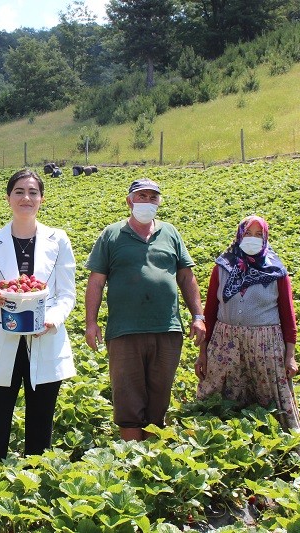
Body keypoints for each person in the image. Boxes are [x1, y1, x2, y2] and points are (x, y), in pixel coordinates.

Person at [85, 178, 205, 442]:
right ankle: (132, 455)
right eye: (141, 197)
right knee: (127, 394)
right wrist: (91, 323)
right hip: (125, 330)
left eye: (153, 197)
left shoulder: (170, 233)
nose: (147, 202)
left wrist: (198, 316)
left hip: (167, 327)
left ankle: (151, 453)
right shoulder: (112, 234)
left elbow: (186, 277)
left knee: (160, 393)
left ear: (159, 202)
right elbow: (96, 281)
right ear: (130, 201)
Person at [0, 169, 76, 461]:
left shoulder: (59, 240)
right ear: (8, 198)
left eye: (32, 192)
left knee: (41, 419)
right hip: (2, 335)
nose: (25, 197)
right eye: (19, 191)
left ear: (41, 199)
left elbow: (67, 294)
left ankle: (37, 478)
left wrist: (52, 319)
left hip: (45, 337)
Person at [194, 215, 300, 430]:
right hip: (225, 342)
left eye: (258, 235)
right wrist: (203, 352)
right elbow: (211, 312)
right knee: (218, 395)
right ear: (239, 236)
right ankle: (219, 440)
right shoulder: (222, 268)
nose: (253, 239)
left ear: (266, 239)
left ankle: (282, 443)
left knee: (269, 397)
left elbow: (288, 317)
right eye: (248, 234)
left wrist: (290, 356)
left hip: (265, 344)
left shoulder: (276, 272)